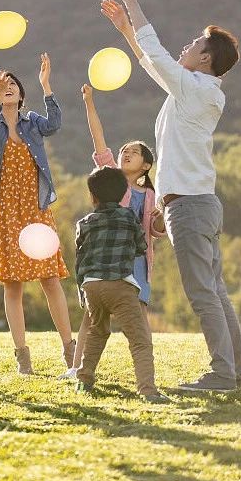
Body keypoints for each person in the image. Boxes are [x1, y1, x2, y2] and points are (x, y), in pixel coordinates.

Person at [109, 0, 241, 391]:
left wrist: (133, 3)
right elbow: (153, 63)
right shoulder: (192, 90)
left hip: (190, 206)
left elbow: (157, 54)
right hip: (194, 203)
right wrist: (125, 33)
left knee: (203, 295)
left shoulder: (195, 90)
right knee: (216, 292)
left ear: (206, 59)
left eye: (193, 44)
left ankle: (223, 373)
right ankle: (236, 373)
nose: (185, 47)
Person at [0, 54, 74, 375]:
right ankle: (23, 357)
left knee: (50, 279)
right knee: (13, 285)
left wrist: (47, 87)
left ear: (21, 93)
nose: (8, 87)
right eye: (1, 86)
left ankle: (70, 350)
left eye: (13, 84)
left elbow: (56, 124)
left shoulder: (33, 122)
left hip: (35, 210)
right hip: (4, 212)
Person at [60, 83, 166, 379]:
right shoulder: (111, 179)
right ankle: (77, 367)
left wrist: (159, 218)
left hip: (136, 260)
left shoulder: (150, 196)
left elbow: (155, 232)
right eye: (123, 151)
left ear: (146, 165)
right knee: (93, 317)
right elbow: (99, 138)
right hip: (106, 256)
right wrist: (89, 102)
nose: (125, 153)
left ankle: (144, 371)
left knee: (138, 317)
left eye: (133, 152)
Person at [75, 166, 169, 402]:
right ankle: (148, 391)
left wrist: (82, 293)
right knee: (139, 339)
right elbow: (141, 246)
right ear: (122, 194)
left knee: (97, 331)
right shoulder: (128, 217)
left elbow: (80, 257)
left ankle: (84, 380)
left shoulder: (84, 223)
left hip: (92, 287)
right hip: (120, 285)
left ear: (93, 197)